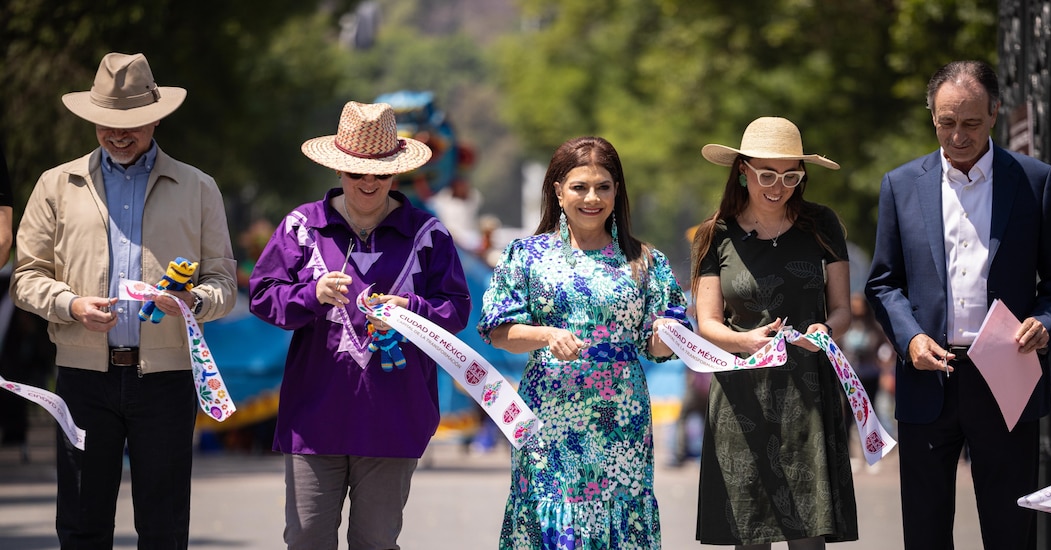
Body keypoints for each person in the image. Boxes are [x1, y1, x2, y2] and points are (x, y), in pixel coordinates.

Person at [9, 52, 237, 548]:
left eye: (131, 123)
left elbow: (223, 283)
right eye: (106, 123)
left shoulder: (199, 188)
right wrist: (70, 305)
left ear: (156, 117)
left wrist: (192, 303)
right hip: (82, 379)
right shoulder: (55, 185)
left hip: (169, 380)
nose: (118, 134)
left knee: (164, 526)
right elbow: (25, 277)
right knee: (82, 522)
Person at [864, 60, 1051, 550]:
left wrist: (1046, 322)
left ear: (996, 113)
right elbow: (882, 282)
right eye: (946, 122)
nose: (958, 136)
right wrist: (910, 338)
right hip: (927, 379)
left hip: (1007, 376)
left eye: (971, 123)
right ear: (931, 115)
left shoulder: (1034, 181)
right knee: (925, 531)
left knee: (1010, 530)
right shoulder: (900, 185)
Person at [249, 101, 471, 550]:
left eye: (380, 173)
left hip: (395, 417)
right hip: (313, 419)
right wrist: (311, 295)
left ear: (396, 174)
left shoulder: (428, 234)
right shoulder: (300, 227)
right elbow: (261, 296)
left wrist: (409, 308)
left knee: (375, 541)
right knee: (307, 538)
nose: (368, 182)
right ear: (338, 170)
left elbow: (457, 310)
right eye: (356, 172)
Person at [478, 136, 690, 548]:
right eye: (579, 187)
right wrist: (546, 335)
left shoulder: (647, 261)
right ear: (558, 192)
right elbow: (499, 332)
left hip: (622, 417)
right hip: (548, 416)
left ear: (617, 192)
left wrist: (668, 336)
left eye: (603, 187)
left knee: (621, 512)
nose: (592, 198)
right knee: (549, 507)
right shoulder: (525, 255)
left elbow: (658, 347)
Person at [691, 117, 857, 549]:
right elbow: (706, 323)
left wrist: (825, 329)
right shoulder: (715, 234)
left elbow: (841, 310)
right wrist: (744, 341)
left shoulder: (823, 224)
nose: (778, 185)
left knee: (808, 536)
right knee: (749, 534)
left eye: (790, 175)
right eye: (766, 174)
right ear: (742, 172)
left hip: (808, 395)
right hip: (740, 393)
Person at [838, 292, 894, 448]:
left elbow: (886, 349)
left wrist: (885, 368)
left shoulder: (875, 328)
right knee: (848, 415)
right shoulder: (845, 327)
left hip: (870, 375)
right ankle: (848, 452)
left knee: (870, 414)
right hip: (849, 377)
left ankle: (873, 449)